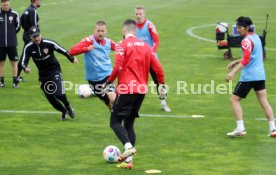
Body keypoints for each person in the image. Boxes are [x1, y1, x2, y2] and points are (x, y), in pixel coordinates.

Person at [106, 19, 166, 169]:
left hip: (127, 89)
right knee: (129, 123)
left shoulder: (121, 45)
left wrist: (109, 82)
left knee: (114, 122)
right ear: (135, 31)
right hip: (141, 91)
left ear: (124, 30)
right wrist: (161, 85)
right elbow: (157, 68)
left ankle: (127, 147)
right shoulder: (146, 47)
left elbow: (118, 67)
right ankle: (128, 162)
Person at [225, 16, 276, 137]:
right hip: (260, 75)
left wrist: (232, 73)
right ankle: (273, 129)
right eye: (237, 27)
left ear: (247, 28)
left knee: (234, 100)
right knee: (264, 101)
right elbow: (252, 56)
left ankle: (240, 128)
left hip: (249, 77)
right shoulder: (256, 38)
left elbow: (247, 60)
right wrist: (236, 61)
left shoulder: (246, 41)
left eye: (240, 27)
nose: (238, 30)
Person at [21, 26, 78, 121]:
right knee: (50, 97)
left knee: (59, 93)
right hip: (43, 75)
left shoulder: (49, 43)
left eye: (38, 36)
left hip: (54, 70)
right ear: (31, 37)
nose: (36, 38)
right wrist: (25, 68)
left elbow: (62, 50)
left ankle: (68, 106)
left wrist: (71, 59)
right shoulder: (29, 47)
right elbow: (23, 61)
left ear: (40, 34)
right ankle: (63, 111)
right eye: (34, 36)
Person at [69, 21, 116, 110]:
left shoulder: (109, 42)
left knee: (112, 99)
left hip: (107, 75)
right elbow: (71, 51)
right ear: (94, 31)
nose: (100, 33)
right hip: (93, 79)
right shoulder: (89, 41)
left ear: (106, 31)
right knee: (108, 103)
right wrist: (86, 49)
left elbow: (121, 49)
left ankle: (119, 120)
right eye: (98, 31)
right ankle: (115, 120)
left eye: (102, 31)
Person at [135, 5, 171, 112]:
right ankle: (134, 105)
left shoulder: (150, 25)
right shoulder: (132, 27)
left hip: (151, 59)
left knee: (159, 82)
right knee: (136, 82)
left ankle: (164, 103)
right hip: (138, 60)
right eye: (136, 14)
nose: (138, 16)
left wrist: (150, 52)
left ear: (144, 14)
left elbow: (156, 41)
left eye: (140, 14)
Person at [17, 0, 41, 82]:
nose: (40, 2)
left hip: (26, 34)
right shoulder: (33, 11)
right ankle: (17, 75)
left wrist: (26, 30)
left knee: (25, 56)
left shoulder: (27, 9)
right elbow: (34, 27)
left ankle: (17, 75)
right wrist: (36, 36)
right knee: (27, 56)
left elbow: (21, 20)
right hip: (31, 36)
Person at [0, 0, 20, 88]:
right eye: (4, 5)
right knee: (1, 63)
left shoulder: (14, 14)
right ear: (1, 5)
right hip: (0, 44)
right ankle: (1, 82)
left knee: (14, 62)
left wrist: (11, 34)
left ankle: (15, 82)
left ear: (9, 4)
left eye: (7, 5)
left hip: (12, 44)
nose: (6, 6)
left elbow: (18, 27)